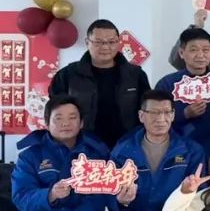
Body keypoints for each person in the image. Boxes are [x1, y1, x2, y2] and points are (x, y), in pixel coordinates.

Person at [49, 19, 151, 148]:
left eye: (111, 42)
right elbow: (55, 111)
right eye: (98, 42)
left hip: (127, 145)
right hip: (82, 145)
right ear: (87, 42)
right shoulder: (68, 75)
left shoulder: (135, 75)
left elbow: (147, 110)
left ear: (118, 42)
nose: (105, 47)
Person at [155, 28, 210, 152]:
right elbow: (154, 117)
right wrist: (184, 114)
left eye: (205, 50)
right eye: (193, 50)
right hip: (179, 149)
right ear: (181, 53)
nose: (200, 55)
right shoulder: (167, 84)